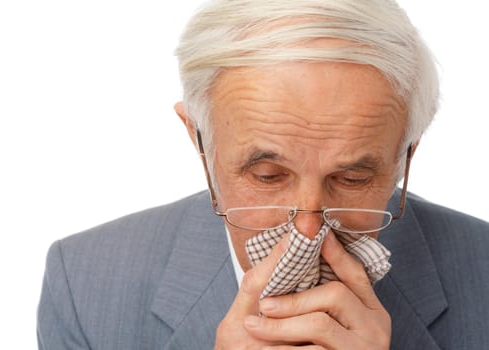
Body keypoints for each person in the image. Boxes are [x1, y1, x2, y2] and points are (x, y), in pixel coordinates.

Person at [37, 0, 489, 349]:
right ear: (200, 141)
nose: (308, 230)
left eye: (351, 179)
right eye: (268, 175)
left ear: (404, 156)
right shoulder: (82, 284)